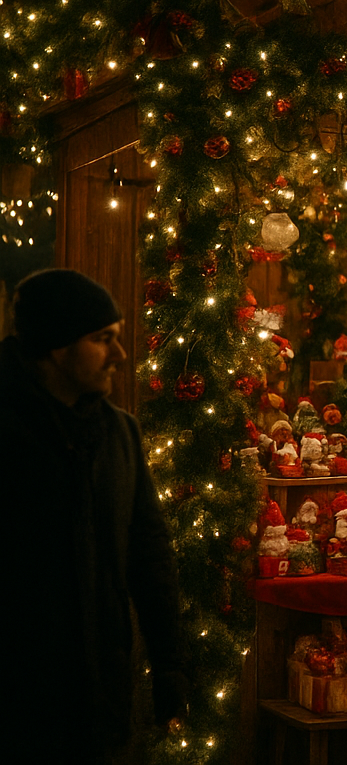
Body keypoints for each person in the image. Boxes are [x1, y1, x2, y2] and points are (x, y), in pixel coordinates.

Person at [1, 269, 188, 762]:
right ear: (57, 347)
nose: (121, 356)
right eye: (102, 340)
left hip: (102, 703)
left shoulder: (117, 434)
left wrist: (169, 666)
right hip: (18, 705)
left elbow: (149, 556)